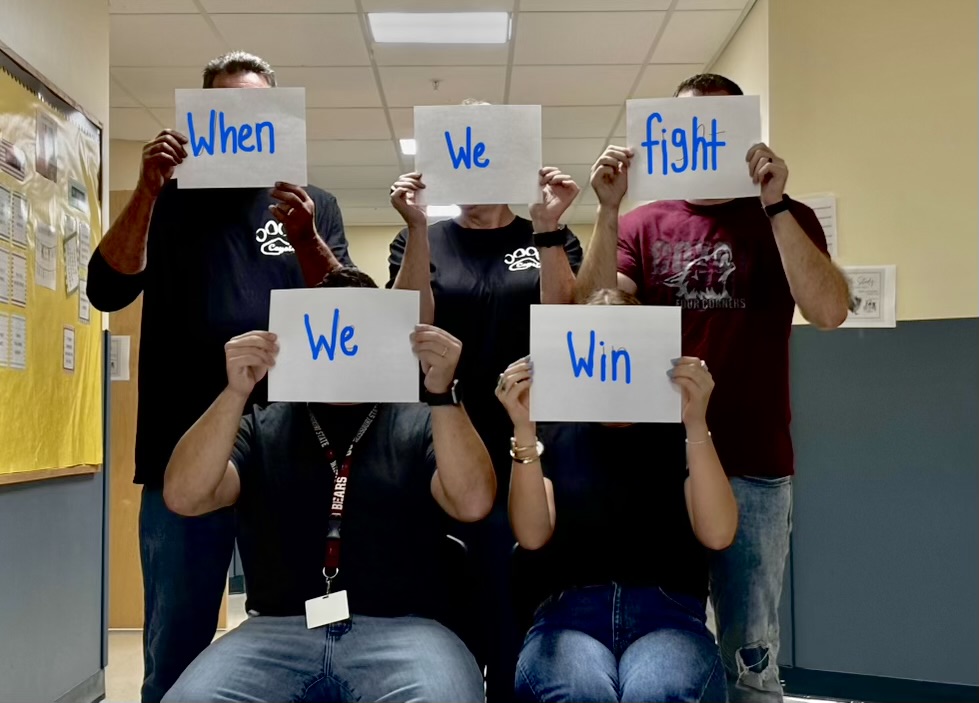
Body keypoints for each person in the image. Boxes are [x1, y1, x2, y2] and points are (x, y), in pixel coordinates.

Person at [572, 74, 851, 702]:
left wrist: (776, 204)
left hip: (752, 465)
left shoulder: (789, 216)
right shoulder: (644, 222)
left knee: (749, 652)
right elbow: (589, 308)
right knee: (666, 641)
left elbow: (830, 310)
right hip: (654, 466)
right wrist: (609, 210)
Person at [86, 51, 353, 702]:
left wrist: (307, 239)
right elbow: (105, 289)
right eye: (225, 106)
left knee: (301, 624)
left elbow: (349, 311)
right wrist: (147, 188)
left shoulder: (309, 202)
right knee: (177, 644)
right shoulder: (167, 200)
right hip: (185, 451)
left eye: (256, 106)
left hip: (291, 455)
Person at [160, 267, 495, 703]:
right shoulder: (262, 424)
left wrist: (443, 393)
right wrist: (235, 392)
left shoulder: (423, 422)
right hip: (275, 630)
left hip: (405, 630)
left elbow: (472, 502)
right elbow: (184, 496)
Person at [386, 152, 583, 701]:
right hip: (446, 437)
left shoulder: (548, 233)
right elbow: (407, 325)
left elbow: (567, 322)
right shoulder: (423, 238)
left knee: (522, 587)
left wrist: (547, 231)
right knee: (454, 592)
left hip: (531, 437)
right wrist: (418, 227)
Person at [495, 287, 736, 703]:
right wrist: (523, 428)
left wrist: (696, 424)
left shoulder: (679, 433)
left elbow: (718, 533)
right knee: (577, 691)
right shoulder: (549, 434)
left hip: (668, 617)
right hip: (567, 617)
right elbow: (532, 534)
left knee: (659, 691)